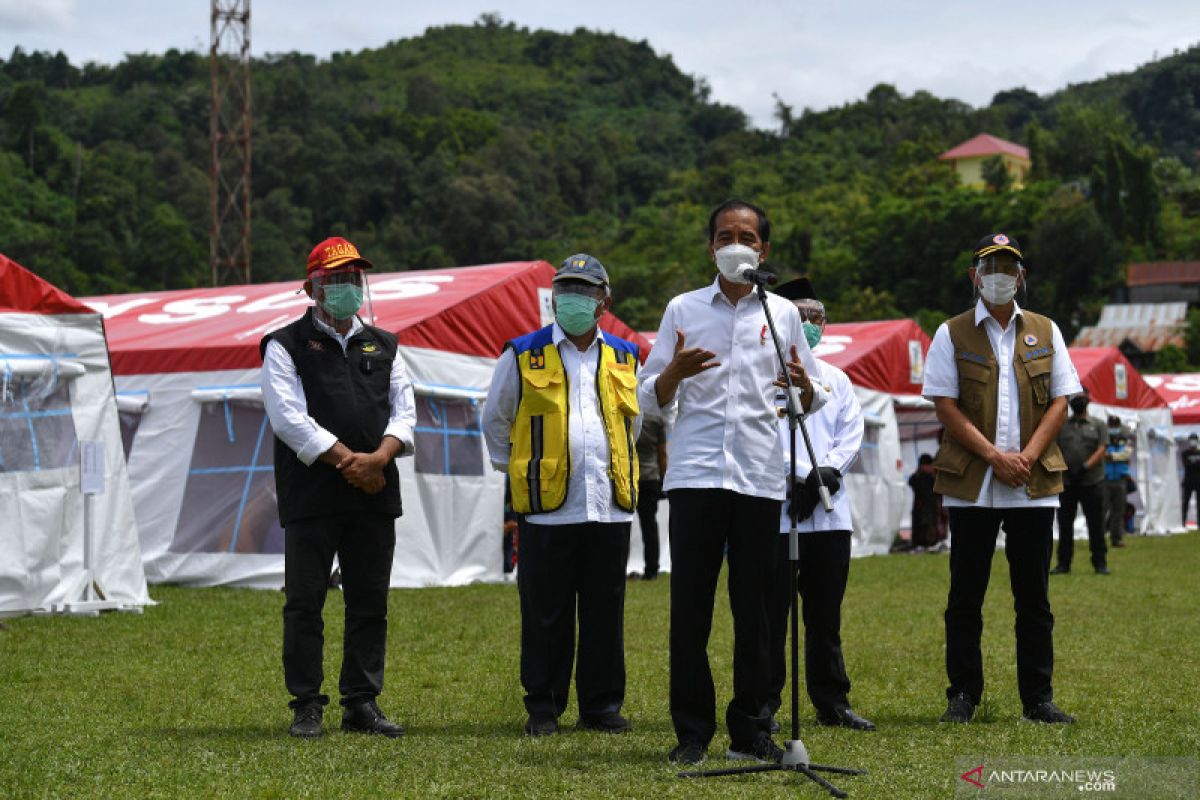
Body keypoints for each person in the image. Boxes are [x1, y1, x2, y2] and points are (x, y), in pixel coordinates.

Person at [637, 199, 829, 766]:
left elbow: (809, 395)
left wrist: (804, 387)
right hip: (696, 475)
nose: (735, 244)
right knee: (690, 608)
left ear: (763, 251)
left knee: (759, 612)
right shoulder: (683, 309)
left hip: (759, 476)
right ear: (710, 246)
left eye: (746, 236)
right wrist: (671, 374)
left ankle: (751, 728)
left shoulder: (782, 315)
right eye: (725, 236)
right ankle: (691, 732)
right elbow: (648, 395)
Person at [922, 232, 1080, 726]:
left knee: (1033, 597)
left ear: (1021, 277)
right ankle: (963, 695)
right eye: (990, 268)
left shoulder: (1047, 331)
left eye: (1008, 268)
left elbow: (1061, 400)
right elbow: (944, 405)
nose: (999, 277)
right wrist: (995, 457)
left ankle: (1039, 698)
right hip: (973, 484)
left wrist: (1026, 456)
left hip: (1032, 484)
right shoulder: (951, 333)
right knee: (965, 597)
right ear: (975, 277)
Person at [260, 236, 415, 739]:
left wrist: (380, 459)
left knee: (369, 601)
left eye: (354, 277)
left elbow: (405, 410)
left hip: (375, 491)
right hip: (313, 495)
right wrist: (351, 461)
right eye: (336, 279)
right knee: (305, 601)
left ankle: (361, 702)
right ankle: (306, 703)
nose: (348, 287)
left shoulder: (385, 344)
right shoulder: (284, 344)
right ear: (312, 288)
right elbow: (287, 417)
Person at [482, 253, 642, 737]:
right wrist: (517, 470)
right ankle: (544, 708)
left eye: (583, 290)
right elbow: (495, 419)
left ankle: (601, 706)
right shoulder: (523, 352)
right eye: (564, 289)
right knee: (546, 612)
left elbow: (629, 425)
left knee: (603, 612)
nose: (571, 298)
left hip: (607, 504)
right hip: (547, 507)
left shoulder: (625, 355)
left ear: (603, 301)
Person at [765, 278, 875, 733]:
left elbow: (852, 432)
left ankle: (832, 700)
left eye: (817, 316)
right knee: (770, 615)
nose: (810, 324)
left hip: (829, 511)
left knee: (825, 616)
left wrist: (824, 473)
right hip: (775, 508)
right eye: (801, 315)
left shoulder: (836, 378)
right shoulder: (762, 371)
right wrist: (790, 479)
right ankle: (764, 703)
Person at [1050, 389, 1109, 574]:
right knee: (1065, 525)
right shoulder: (1062, 426)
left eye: (1081, 398)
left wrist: (1085, 467)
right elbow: (1055, 448)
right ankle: (1063, 563)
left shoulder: (1098, 425)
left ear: (1088, 400)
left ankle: (1100, 563)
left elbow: (1102, 449)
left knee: (1096, 524)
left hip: (1092, 482)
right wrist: (1066, 468)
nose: (1078, 401)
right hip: (1067, 483)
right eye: (1074, 398)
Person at [633, 416, 668, 580]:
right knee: (649, 526)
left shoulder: (627, 415)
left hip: (628, 476)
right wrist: (663, 479)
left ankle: (619, 567)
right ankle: (652, 569)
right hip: (650, 477)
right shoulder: (656, 420)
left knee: (622, 526)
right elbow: (662, 453)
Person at [1103, 416, 1132, 551]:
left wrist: (1112, 456)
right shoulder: (1103, 439)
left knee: (1118, 511)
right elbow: (1101, 454)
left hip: (1120, 479)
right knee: (1102, 511)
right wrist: (1116, 456)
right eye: (1111, 424)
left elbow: (1127, 454)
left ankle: (1116, 538)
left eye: (1115, 425)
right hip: (1105, 479)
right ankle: (1099, 538)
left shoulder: (1124, 440)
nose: (1113, 427)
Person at [908, 455, 939, 550]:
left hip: (931, 506)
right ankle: (917, 544)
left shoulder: (932, 477)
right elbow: (911, 482)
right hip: (920, 506)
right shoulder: (916, 477)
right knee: (919, 525)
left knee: (930, 525)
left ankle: (930, 544)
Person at [1181, 434, 1200, 527]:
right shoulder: (1185, 453)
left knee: (1199, 504)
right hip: (1188, 481)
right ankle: (1182, 522)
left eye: (1194, 440)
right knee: (1185, 503)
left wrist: (1194, 463)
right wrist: (1195, 463)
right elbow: (1187, 465)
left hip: (1198, 481)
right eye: (1191, 440)